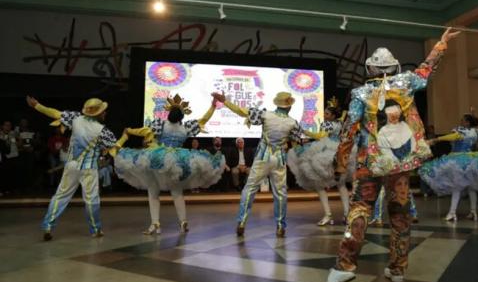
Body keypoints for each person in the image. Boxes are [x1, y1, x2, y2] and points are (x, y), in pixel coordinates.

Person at [317, 27, 460, 282]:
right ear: (394, 67)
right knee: (400, 213)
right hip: (401, 163)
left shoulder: (360, 94)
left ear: (370, 69)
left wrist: (339, 163)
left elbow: (348, 130)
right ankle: (397, 268)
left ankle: (344, 267)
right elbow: (426, 68)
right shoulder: (407, 82)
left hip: (371, 163)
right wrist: (441, 44)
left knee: (360, 210)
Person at [212, 90, 323, 238]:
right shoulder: (292, 123)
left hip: (263, 157)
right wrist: (320, 137)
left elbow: (241, 111)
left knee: (250, 188)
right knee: (281, 193)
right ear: (289, 106)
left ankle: (242, 221)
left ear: (277, 104)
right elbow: (299, 140)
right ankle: (280, 226)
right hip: (278, 159)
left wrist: (225, 101)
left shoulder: (265, 115)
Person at [115, 94, 224, 234]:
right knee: (177, 192)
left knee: (153, 191)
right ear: (182, 117)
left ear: (169, 113)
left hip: (158, 158)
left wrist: (129, 130)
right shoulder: (185, 128)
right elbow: (204, 120)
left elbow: (144, 131)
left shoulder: (160, 124)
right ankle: (183, 221)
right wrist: (213, 106)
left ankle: (155, 223)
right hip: (179, 160)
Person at [26, 96, 118, 241]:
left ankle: (48, 226)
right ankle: (95, 229)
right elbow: (114, 147)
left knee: (61, 196)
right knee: (91, 200)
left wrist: (37, 105)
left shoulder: (75, 118)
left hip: (71, 165)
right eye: (103, 111)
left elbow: (54, 113)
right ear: (98, 113)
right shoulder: (104, 131)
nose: (105, 113)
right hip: (89, 169)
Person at [420, 114, 478, 221]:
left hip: (458, 160)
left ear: (467, 122)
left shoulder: (462, 132)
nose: (461, 121)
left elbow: (453, 137)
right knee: (471, 187)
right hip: (471, 160)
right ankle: (473, 212)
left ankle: (452, 213)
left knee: (457, 187)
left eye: (463, 120)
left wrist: (436, 139)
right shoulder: (476, 132)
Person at [287, 97, 352, 226]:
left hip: (327, 152)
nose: (325, 115)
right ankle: (346, 214)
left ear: (333, 115)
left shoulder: (327, 124)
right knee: (341, 184)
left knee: (320, 185)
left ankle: (329, 214)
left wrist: (304, 132)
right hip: (339, 151)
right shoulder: (341, 124)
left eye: (327, 113)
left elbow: (320, 136)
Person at [0, 121, 19, 195]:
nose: (8, 127)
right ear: (3, 126)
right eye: (6, 125)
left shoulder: (14, 133)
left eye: (9, 125)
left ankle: (10, 190)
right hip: (3, 157)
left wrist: (18, 142)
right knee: (3, 174)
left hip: (13, 155)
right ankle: (3, 189)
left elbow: (20, 142)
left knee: (12, 174)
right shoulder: (0, 134)